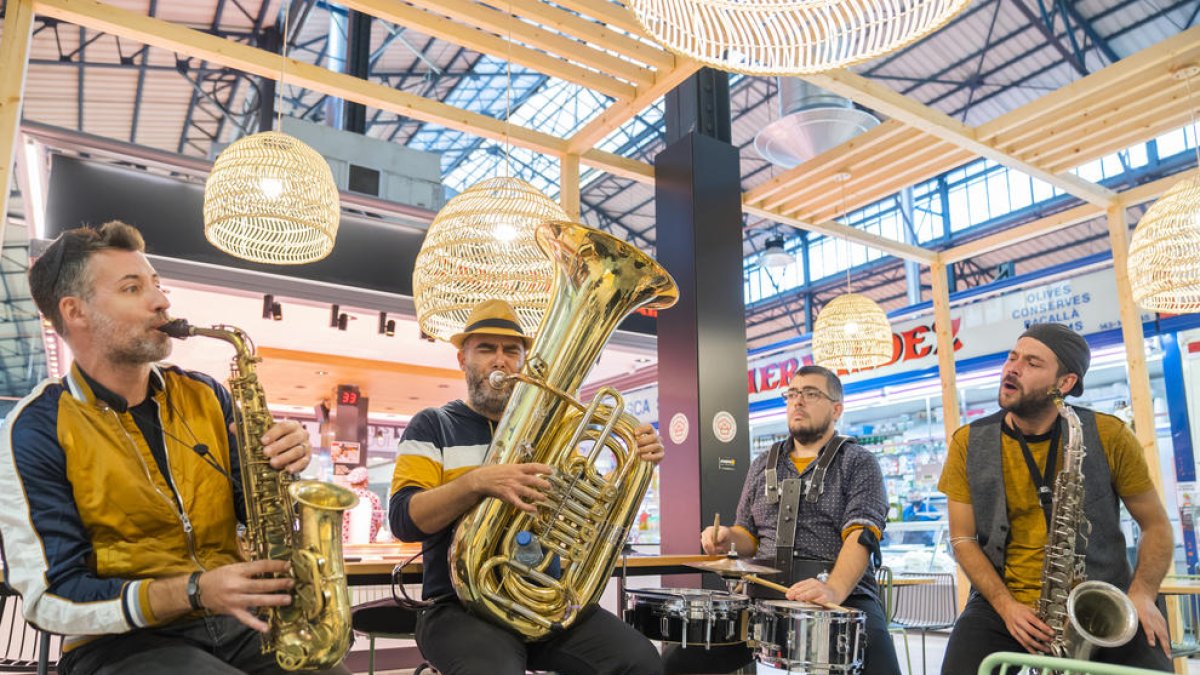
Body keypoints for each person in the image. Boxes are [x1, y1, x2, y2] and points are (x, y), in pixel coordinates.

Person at [0, 222, 350, 675]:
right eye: (132, 288)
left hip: (238, 622)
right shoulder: (35, 427)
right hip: (120, 643)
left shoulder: (207, 395)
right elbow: (49, 599)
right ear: (75, 311)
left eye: (157, 285)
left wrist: (285, 463)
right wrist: (192, 590)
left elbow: (258, 508)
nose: (162, 301)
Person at [389, 299, 666, 675]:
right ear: (463, 359)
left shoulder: (555, 427)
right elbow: (404, 520)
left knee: (641, 660)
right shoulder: (433, 425)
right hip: (456, 605)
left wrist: (639, 451)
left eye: (511, 350)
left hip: (543, 599)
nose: (500, 361)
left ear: (525, 361)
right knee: (496, 669)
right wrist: (477, 483)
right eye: (486, 349)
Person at [938, 323, 1173, 673]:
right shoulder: (968, 442)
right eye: (1012, 357)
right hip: (1004, 603)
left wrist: (1142, 593)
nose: (1012, 368)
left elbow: (1156, 526)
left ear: (1064, 383)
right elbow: (962, 538)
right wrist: (1005, 606)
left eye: (1033, 363)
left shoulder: (1109, 435)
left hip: (1101, 598)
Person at [687, 365, 901, 675]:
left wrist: (833, 589)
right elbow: (747, 533)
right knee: (679, 662)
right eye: (792, 394)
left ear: (837, 409)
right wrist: (727, 539)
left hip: (843, 595)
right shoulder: (762, 463)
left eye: (811, 394)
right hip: (764, 597)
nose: (798, 401)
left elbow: (862, 535)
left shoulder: (858, 462)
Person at [342, 466, 384, 544]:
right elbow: (379, 521)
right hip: (367, 542)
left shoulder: (344, 496)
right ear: (366, 481)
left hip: (345, 542)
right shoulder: (373, 497)